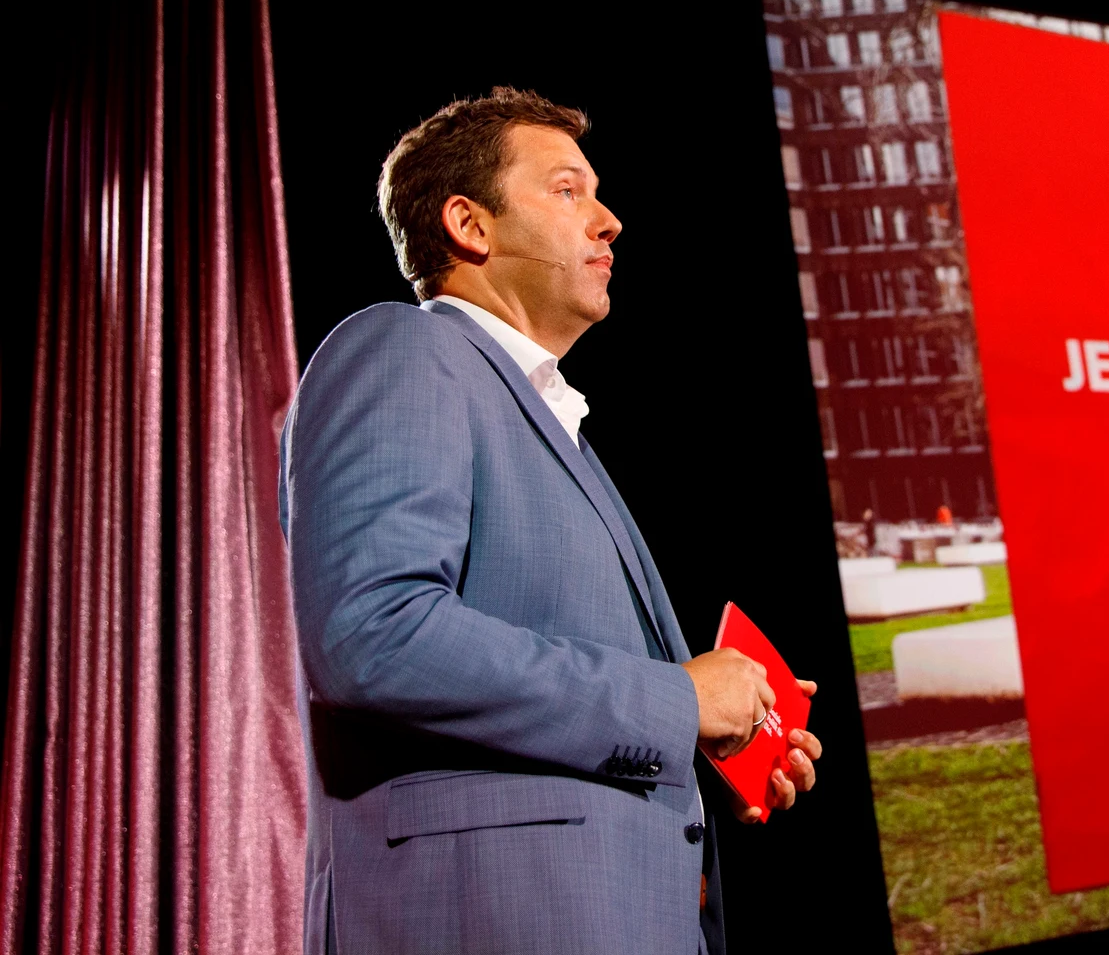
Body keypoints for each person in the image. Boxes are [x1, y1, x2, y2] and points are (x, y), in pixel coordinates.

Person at [281, 88, 821, 954]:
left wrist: (712, 744)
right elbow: (371, 634)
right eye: (568, 190)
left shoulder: (553, 428)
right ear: (470, 224)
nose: (609, 221)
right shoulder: (404, 351)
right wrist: (675, 697)